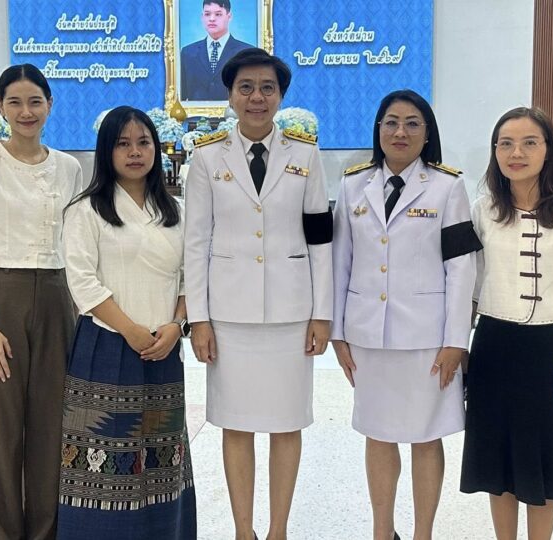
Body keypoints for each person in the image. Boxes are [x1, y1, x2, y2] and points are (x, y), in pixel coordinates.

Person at [183, 47, 332, 540]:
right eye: (245, 87)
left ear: (280, 96)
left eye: (267, 88)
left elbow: (320, 239)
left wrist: (322, 313)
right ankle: (243, 530)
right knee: (237, 423)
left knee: (287, 423)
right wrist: (199, 318)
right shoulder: (206, 157)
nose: (256, 97)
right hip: (229, 315)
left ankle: (278, 530)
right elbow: (196, 242)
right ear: (230, 95)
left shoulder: (305, 155)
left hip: (291, 313)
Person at [331, 90, 481, 540]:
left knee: (425, 436)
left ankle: (422, 534)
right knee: (377, 433)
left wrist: (456, 340)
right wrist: (338, 332)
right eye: (391, 122)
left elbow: (462, 268)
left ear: (427, 133)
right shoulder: (353, 185)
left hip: (427, 339)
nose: (400, 131)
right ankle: (382, 531)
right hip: (368, 335)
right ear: (378, 129)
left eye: (412, 123)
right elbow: (340, 263)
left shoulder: (448, 187)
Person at [0, 63, 85, 539]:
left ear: (50, 105)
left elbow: (79, 244)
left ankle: (47, 533)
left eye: (35, 101)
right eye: (15, 102)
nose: (25, 111)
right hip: (0, 299)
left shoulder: (69, 167)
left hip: (57, 299)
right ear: (0, 107)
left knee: (53, 429)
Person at [57, 106, 196, 540]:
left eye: (143, 142)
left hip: (163, 349)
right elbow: (82, 281)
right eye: (123, 144)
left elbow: (190, 277)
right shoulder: (86, 211)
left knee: (161, 461)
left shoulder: (177, 211)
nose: (135, 152)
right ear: (107, 151)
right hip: (106, 347)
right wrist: (131, 330)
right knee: (101, 464)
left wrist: (176, 325)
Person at [459, 107, 553, 540]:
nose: (516, 153)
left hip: (547, 350)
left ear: (547, 150)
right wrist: (459, 346)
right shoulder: (483, 210)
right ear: (495, 152)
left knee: (545, 462)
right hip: (493, 346)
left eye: (529, 143)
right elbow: (471, 287)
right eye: (506, 144)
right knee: (498, 463)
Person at [180, 0, 257, 101]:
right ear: (202, 17)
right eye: (207, 14)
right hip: (196, 111)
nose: (212, 19)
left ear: (229, 16)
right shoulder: (187, 53)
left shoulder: (247, 53)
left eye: (218, 14)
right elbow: (181, 95)